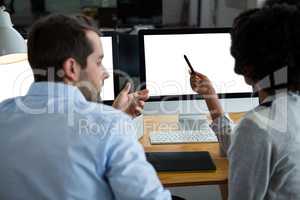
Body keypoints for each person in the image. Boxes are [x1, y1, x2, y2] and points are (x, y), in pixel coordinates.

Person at [0, 14, 171, 199]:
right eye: (98, 62)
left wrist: (114, 115)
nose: (105, 73)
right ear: (71, 68)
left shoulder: (3, 115)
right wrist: (114, 119)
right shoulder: (111, 125)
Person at [190, 4, 300, 200]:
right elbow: (248, 147)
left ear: (246, 69)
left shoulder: (256, 127)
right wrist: (210, 96)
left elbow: (252, 141)